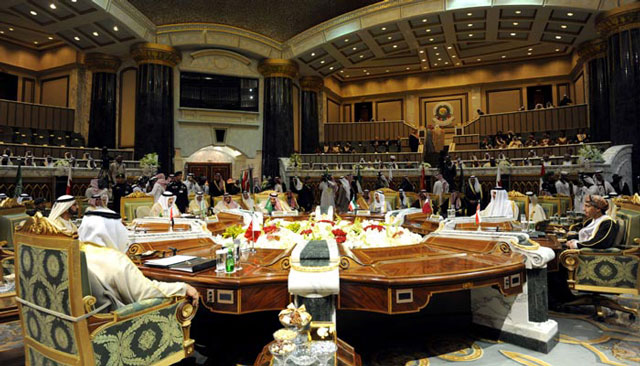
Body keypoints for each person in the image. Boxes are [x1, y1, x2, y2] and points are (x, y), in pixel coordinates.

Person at [77, 208, 199, 310]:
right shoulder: (116, 259)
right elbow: (144, 292)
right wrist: (183, 287)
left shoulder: (77, 252)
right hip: (117, 322)